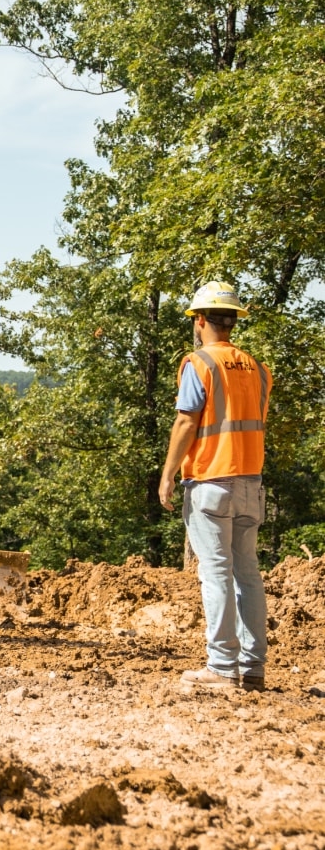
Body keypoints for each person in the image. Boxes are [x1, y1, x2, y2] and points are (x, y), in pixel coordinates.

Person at [159, 281, 272, 692]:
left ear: (200, 320)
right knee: (248, 573)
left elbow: (187, 420)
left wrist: (168, 473)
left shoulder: (200, 363)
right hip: (251, 482)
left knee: (217, 572)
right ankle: (252, 667)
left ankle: (222, 667)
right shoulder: (258, 368)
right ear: (233, 321)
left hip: (210, 480)